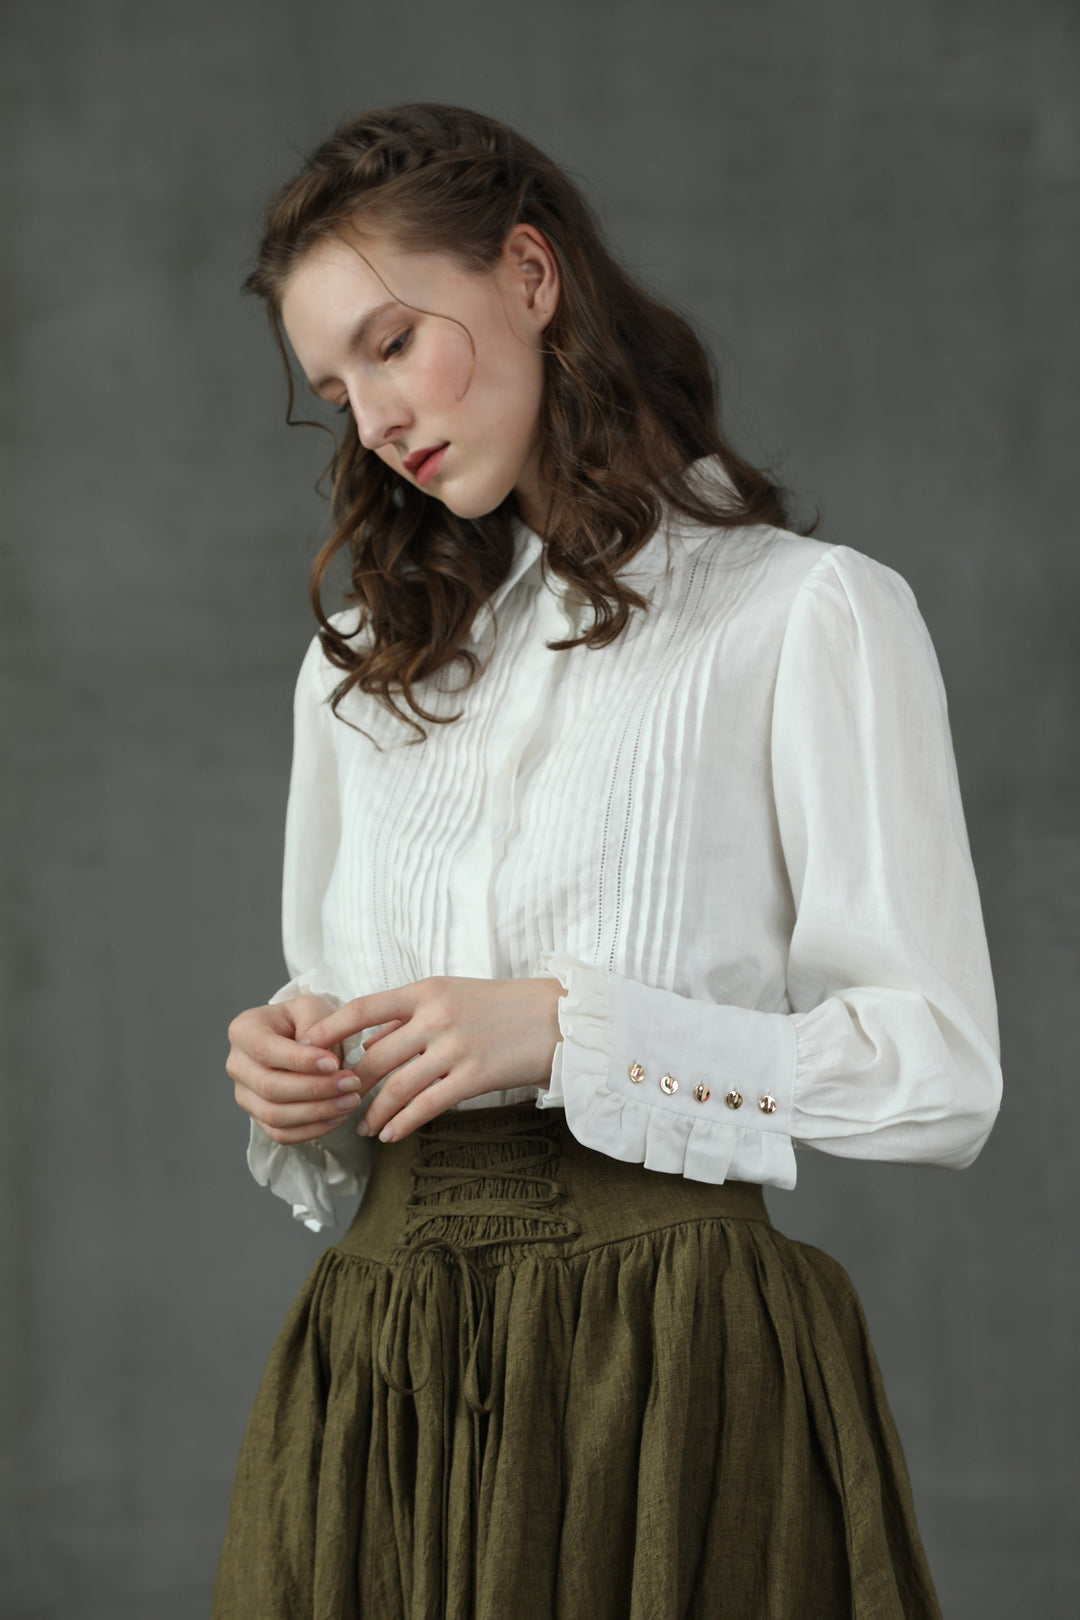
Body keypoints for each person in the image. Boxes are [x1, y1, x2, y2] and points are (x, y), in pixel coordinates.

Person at [211, 102, 1002, 1620]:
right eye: (336, 388)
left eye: (394, 343)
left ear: (530, 274)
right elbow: (351, 1006)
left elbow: (940, 1074)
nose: (374, 419)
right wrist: (300, 1068)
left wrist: (576, 1031)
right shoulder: (359, 672)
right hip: (381, 1377)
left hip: (670, 1366)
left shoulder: (804, 615)